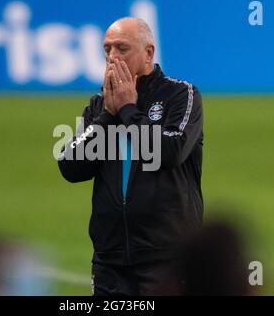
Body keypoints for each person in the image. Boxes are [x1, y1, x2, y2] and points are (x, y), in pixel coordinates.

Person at [58, 17, 203, 295]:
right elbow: (70, 167)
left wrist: (127, 110)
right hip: (109, 260)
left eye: (121, 48)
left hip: (167, 257)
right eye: (107, 49)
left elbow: (170, 152)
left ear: (149, 52)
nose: (112, 57)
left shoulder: (181, 95)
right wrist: (108, 116)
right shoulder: (100, 105)